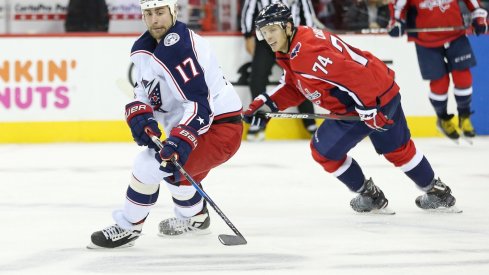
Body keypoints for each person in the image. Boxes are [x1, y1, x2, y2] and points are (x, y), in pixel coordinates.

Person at [244, 2, 459, 214]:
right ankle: (437, 191)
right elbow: (295, 85)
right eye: (264, 32)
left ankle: (369, 195)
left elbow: (353, 75)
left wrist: (369, 108)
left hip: (365, 100)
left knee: (323, 152)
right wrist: (267, 105)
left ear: (288, 26)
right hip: (382, 90)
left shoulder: (305, 54)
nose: (269, 37)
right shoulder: (296, 44)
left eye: (272, 29)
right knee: (398, 150)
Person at [88, 0, 243, 249]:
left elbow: (199, 105)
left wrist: (180, 139)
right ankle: (196, 218)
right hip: (194, 123)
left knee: (150, 165)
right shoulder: (145, 46)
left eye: (160, 12)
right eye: (148, 14)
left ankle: (129, 227)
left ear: (173, 12)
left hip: (219, 128)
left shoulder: (180, 49)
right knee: (175, 173)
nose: (154, 19)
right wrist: (141, 115)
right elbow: (142, 91)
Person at [388, 1, 488, 142]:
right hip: (425, 40)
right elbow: (397, 7)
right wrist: (396, 22)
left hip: (456, 35)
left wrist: (479, 17)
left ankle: (464, 116)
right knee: (439, 84)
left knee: (463, 78)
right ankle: (443, 118)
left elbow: (474, 4)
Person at [241, 0, 323, 141]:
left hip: (291, 39)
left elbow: (308, 14)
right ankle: (259, 122)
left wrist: (307, 39)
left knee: (300, 78)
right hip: (265, 40)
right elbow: (248, 11)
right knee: (257, 78)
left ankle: (310, 123)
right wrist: (248, 35)